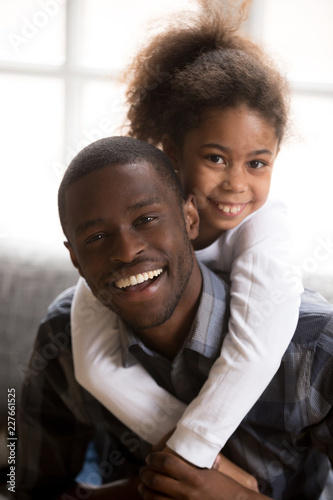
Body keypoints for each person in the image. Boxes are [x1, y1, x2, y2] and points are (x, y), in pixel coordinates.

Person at [17, 137, 333, 500]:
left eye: (146, 219)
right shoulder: (63, 337)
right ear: (74, 258)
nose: (126, 251)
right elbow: (26, 491)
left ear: (190, 218)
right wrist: (151, 488)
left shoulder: (316, 348)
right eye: (97, 237)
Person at [71, 0, 303, 470]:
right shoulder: (135, 230)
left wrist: (193, 454)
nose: (236, 183)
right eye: (216, 158)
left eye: (257, 163)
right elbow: (94, 366)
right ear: (174, 154)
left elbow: (252, 354)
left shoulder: (266, 231)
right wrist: (205, 468)